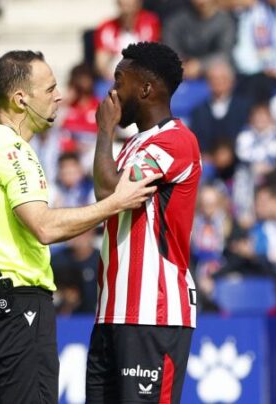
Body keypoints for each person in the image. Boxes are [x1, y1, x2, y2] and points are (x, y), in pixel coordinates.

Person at [0, 50, 161, 404]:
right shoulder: (14, 152)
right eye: (49, 89)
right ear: (20, 99)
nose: (59, 96)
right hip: (20, 307)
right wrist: (114, 203)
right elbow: (43, 227)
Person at [90, 42, 202, 403]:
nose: (112, 92)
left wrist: (104, 130)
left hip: (153, 313)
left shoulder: (176, 142)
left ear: (146, 89)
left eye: (119, 80)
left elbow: (109, 191)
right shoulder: (134, 145)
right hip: (112, 312)